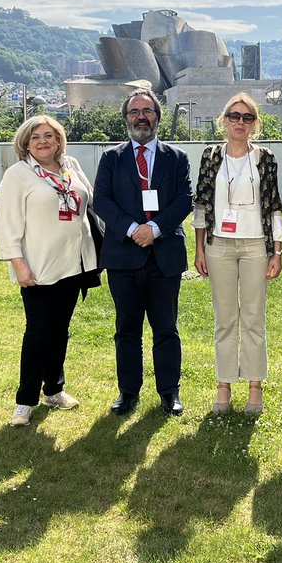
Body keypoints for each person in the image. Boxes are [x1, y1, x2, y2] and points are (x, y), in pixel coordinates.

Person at [93, 90, 193, 416]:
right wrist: (134, 228)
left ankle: (169, 392)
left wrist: (155, 228)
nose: (140, 117)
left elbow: (185, 199)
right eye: (134, 111)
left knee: (166, 328)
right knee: (127, 328)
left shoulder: (176, 158)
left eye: (147, 111)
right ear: (126, 118)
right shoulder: (112, 158)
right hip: (124, 256)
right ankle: (128, 392)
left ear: (157, 116)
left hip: (164, 256)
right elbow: (102, 200)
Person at [0, 115, 99, 427]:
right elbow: (7, 224)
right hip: (38, 266)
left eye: (49, 136)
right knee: (38, 333)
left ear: (58, 140)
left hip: (74, 263)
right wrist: (18, 264)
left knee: (60, 330)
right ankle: (25, 401)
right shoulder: (18, 174)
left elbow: (89, 201)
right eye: (36, 136)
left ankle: (54, 389)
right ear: (25, 143)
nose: (43, 141)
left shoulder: (71, 166)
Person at [192, 93, 282, 415]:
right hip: (218, 245)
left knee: (254, 318)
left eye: (247, 117)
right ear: (225, 120)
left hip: (256, 245)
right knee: (225, 319)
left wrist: (277, 251)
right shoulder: (211, 156)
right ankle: (224, 385)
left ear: (255, 123)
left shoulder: (265, 158)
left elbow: (274, 206)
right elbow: (202, 204)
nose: (240, 122)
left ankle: (255, 387)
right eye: (234, 116)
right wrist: (199, 248)